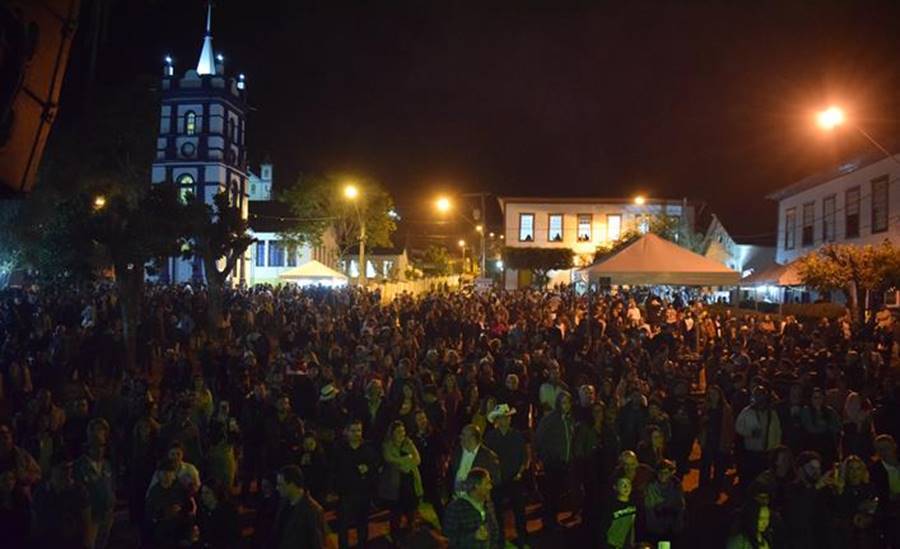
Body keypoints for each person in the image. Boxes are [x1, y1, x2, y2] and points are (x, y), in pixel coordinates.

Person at [483, 403, 529, 547]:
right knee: (497, 512)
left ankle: (521, 536)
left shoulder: (517, 435)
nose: (505, 420)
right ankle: (500, 538)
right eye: (502, 418)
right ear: (497, 420)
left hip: (515, 479)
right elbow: (487, 459)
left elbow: (524, 456)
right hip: (498, 480)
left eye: (507, 417)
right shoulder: (490, 437)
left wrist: (521, 472)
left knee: (519, 510)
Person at [334, 419, 379, 549]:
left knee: (363, 525)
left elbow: (375, 467)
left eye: (359, 430)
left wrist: (369, 469)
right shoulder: (339, 449)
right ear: (347, 432)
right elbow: (334, 469)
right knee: (343, 526)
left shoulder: (368, 448)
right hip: (346, 493)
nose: (357, 434)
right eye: (353, 431)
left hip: (363, 493)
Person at [535, 390, 575, 530]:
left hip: (566, 461)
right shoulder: (550, 420)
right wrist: (544, 457)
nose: (567, 405)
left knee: (558, 493)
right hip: (553, 462)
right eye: (564, 402)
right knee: (551, 493)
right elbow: (540, 439)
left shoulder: (570, 419)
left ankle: (551, 518)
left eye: (568, 402)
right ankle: (548, 520)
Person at [379, 419, 423, 542]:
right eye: (399, 432)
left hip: (410, 484)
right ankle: (395, 537)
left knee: (411, 513)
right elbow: (389, 458)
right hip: (396, 486)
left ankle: (411, 536)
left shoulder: (409, 443)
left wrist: (403, 463)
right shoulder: (387, 445)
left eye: (403, 431)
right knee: (395, 514)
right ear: (392, 433)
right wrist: (407, 459)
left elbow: (417, 459)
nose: (402, 434)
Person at [269, 465, 327, 549]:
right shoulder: (283, 502)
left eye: (281, 485)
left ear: (292, 485)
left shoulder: (313, 510)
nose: (277, 488)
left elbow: (317, 544)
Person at [443, 467, 502, 549]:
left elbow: (495, 531)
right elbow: (449, 539)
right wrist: (473, 536)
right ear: (476, 486)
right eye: (487, 483)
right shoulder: (456, 508)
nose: (490, 487)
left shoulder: (488, 504)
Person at [448, 424, 501, 496]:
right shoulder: (457, 452)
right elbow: (451, 474)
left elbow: (495, 481)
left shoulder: (488, 457)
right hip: (456, 499)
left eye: (463, 435)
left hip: (476, 501)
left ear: (472, 438)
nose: (460, 437)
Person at [643, 459, 685, 543]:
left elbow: (681, 507)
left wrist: (677, 527)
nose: (662, 475)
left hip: (672, 525)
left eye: (665, 473)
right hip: (657, 527)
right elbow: (649, 511)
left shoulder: (676, 485)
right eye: (660, 472)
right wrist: (656, 529)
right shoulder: (651, 487)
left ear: (670, 473)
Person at [598, 476, 637, 549]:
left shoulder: (633, 504)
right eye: (622, 484)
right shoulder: (610, 506)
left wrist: (632, 543)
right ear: (615, 487)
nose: (626, 487)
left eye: (628, 484)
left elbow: (632, 525)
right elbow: (603, 529)